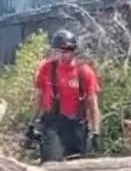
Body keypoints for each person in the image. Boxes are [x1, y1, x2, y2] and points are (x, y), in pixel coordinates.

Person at [32, 29, 101, 162]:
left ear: (73, 51)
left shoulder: (84, 72)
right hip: (53, 123)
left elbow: (93, 105)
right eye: (59, 51)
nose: (63, 55)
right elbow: (39, 98)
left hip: (76, 126)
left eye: (67, 51)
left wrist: (95, 132)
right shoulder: (47, 68)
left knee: (75, 165)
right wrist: (32, 123)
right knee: (52, 164)